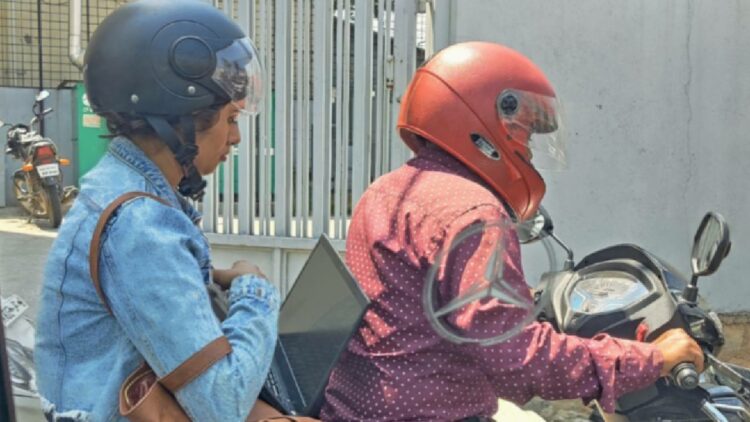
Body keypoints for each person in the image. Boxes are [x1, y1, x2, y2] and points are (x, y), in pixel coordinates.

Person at [320, 42, 704, 421]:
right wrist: (647, 359)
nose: (530, 152)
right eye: (524, 134)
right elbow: (515, 357)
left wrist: (526, 299)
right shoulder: (474, 212)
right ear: (481, 125)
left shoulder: (384, 191)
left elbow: (425, 298)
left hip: (360, 406)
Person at [34, 1, 279, 420]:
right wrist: (255, 291)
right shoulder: (140, 225)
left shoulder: (124, 189)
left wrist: (209, 276)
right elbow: (223, 404)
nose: (235, 138)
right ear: (181, 121)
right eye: (230, 118)